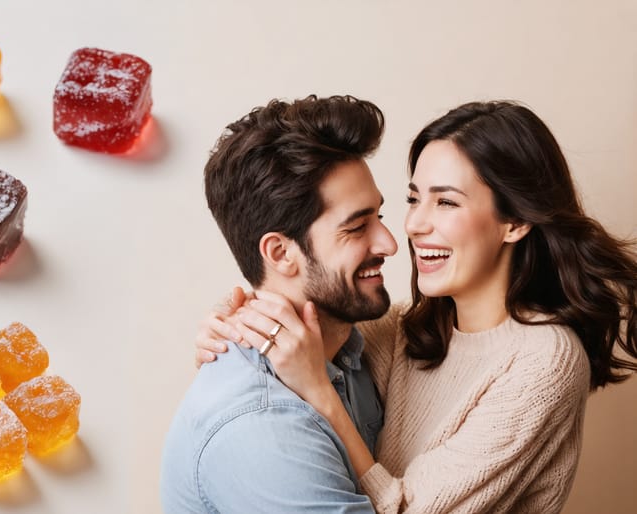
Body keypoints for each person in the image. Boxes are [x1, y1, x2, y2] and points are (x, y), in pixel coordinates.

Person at [196, 100, 637, 513]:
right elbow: (307, 310)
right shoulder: (404, 331)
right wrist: (232, 326)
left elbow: (408, 508)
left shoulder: (545, 360)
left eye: (445, 201)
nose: (413, 225)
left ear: (515, 221)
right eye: (413, 198)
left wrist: (319, 392)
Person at [160, 94, 400, 513]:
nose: (389, 243)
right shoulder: (264, 430)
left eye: (380, 216)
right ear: (280, 253)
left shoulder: (355, 350)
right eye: (357, 226)